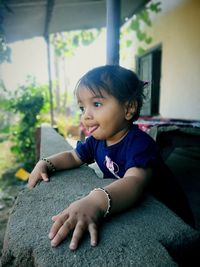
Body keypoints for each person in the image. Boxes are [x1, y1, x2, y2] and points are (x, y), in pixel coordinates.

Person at [28, 65, 195, 251]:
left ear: (128, 108)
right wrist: (47, 163)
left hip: (170, 212)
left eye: (96, 104)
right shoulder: (97, 141)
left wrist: (95, 202)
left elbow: (134, 181)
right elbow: (73, 156)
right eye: (82, 107)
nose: (86, 116)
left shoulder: (140, 144)